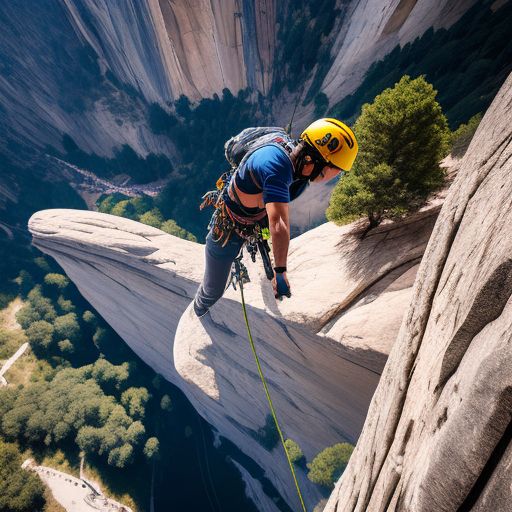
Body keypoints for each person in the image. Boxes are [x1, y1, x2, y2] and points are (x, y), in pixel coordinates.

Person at [193, 118, 358, 317]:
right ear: (313, 159)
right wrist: (280, 272)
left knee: (264, 235)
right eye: (336, 168)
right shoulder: (276, 166)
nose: (337, 174)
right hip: (228, 229)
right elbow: (278, 223)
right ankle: (199, 309)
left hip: (256, 218)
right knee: (214, 289)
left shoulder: (297, 165)